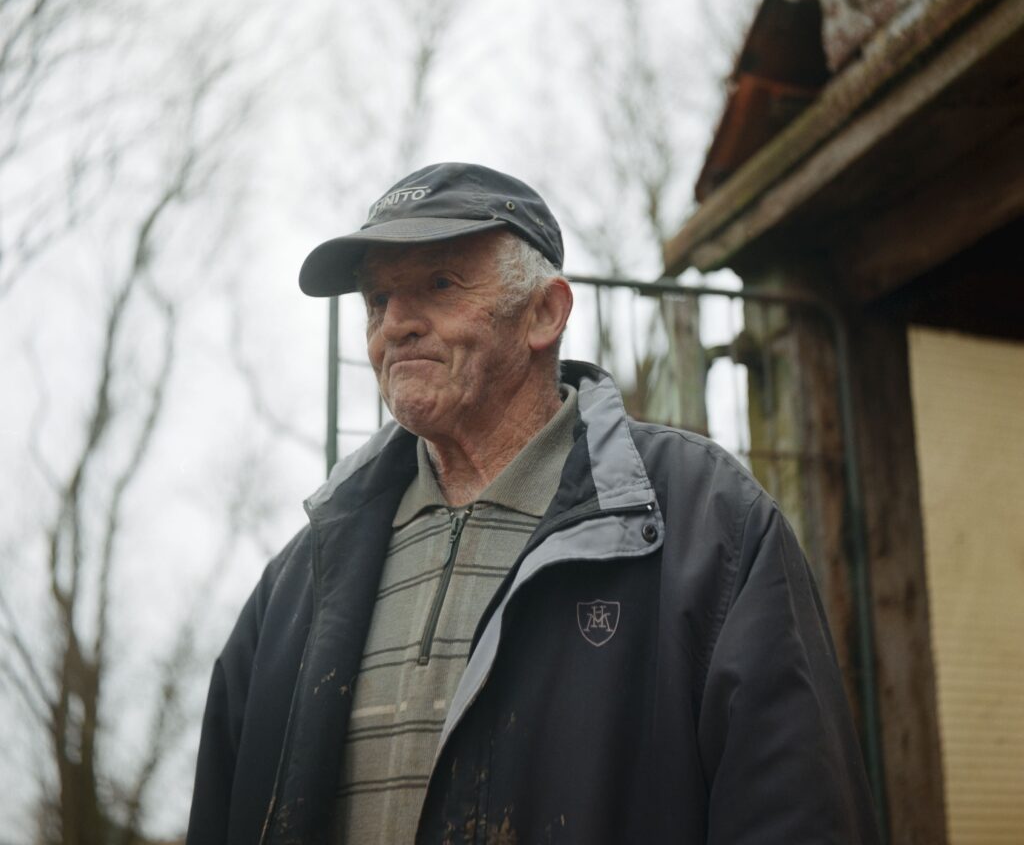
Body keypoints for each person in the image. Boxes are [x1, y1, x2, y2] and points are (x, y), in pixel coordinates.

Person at [186, 162, 881, 844]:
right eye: (376, 300)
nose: (394, 323)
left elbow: (797, 812)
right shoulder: (300, 580)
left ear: (545, 312)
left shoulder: (710, 526)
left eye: (439, 283)